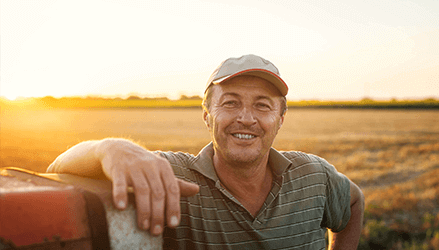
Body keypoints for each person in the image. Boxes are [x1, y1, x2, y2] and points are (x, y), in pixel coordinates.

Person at [47, 54, 364, 249]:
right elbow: (56, 169)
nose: (246, 118)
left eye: (262, 106)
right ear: (207, 115)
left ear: (280, 119)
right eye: (230, 103)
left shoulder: (314, 175)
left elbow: (354, 200)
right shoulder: (170, 175)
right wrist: (111, 149)